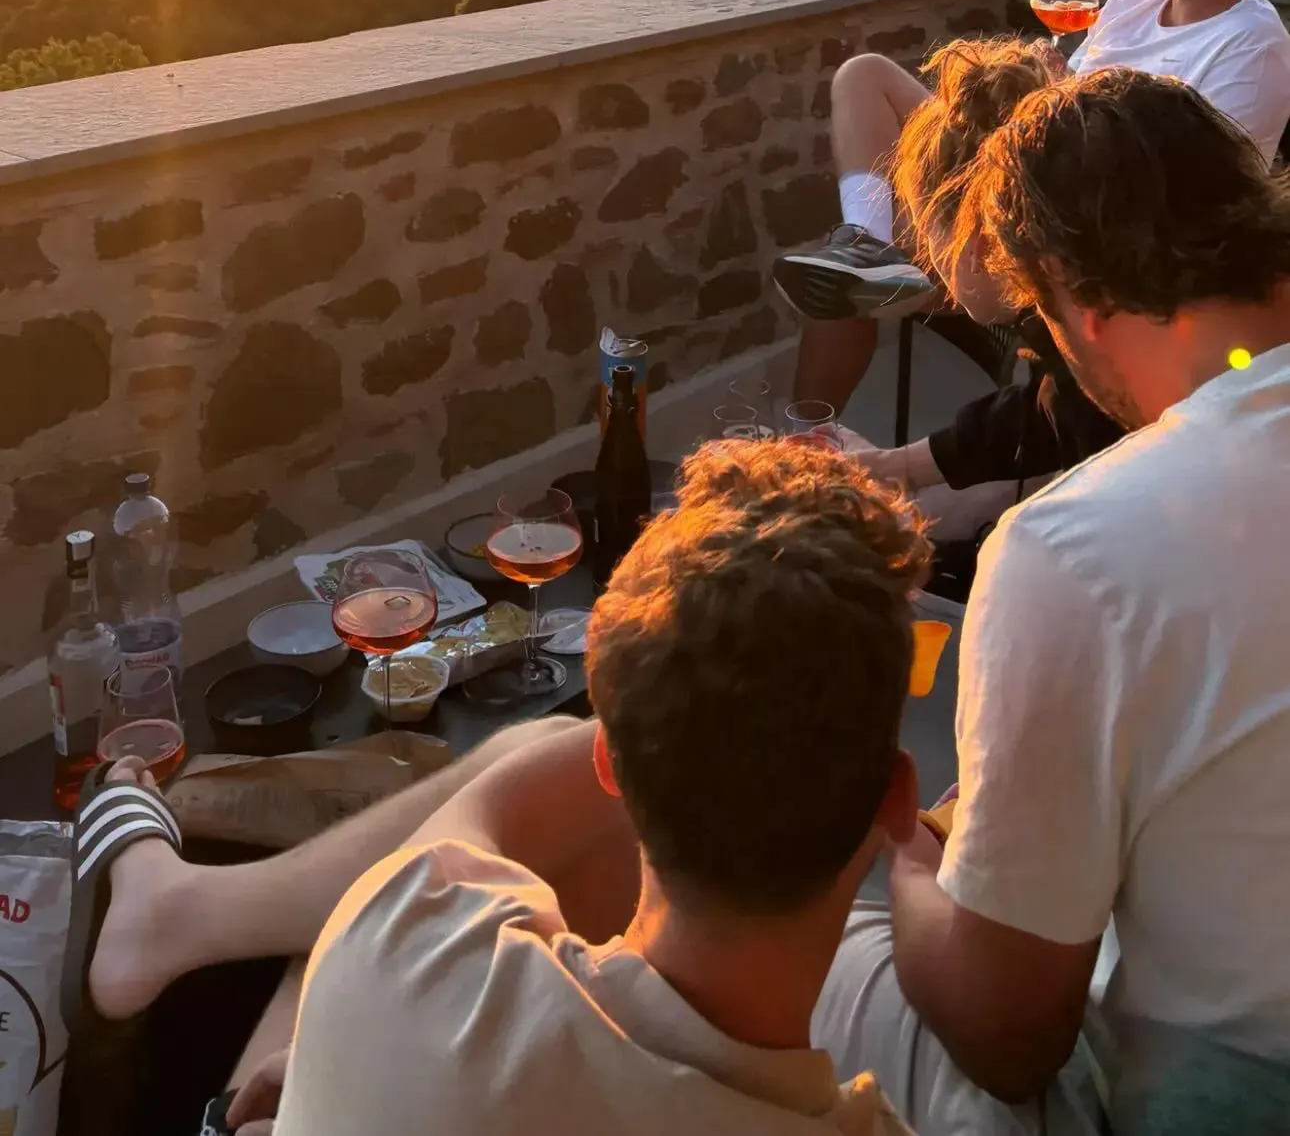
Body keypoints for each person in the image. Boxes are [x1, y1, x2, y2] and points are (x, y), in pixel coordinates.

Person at [80, 443, 933, 1136]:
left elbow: (526, 779)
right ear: (896, 801)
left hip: (369, 1004)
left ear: (613, 766)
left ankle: (182, 908)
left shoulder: (414, 934)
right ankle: (181, 911)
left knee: (330, 945)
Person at [814, 68, 1290, 1132]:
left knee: (832, 935)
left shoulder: (1077, 547)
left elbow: (1009, 1031)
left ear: (1077, 295)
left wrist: (902, 849)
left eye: (1033, 326)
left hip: (1222, 1091)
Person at [774, 0, 1290, 414]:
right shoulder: (1138, 1)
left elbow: (1191, 193)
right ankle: (867, 244)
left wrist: (1043, 113)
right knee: (864, 76)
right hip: (1019, 167)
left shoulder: (1252, 45)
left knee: (840, 292)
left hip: (1075, 228)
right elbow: (1070, 89)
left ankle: (812, 425)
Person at [850, 37, 1120, 547]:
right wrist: (894, 465)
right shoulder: (1082, 300)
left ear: (974, 242)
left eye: (928, 234)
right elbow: (1047, 404)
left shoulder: (1113, 392)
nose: (929, 261)